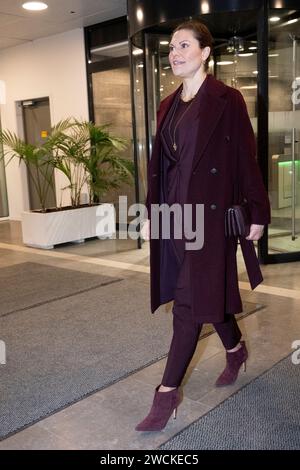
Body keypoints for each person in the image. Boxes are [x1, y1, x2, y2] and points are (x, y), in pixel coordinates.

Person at [136, 19, 271, 432]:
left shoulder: (228, 100)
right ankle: (235, 348)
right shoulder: (168, 105)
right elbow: (161, 166)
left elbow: (247, 159)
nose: (174, 53)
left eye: (183, 45)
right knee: (202, 292)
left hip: (211, 220)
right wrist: (149, 213)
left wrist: (259, 213)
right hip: (175, 216)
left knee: (189, 304)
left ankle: (166, 394)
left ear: (205, 52)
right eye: (171, 47)